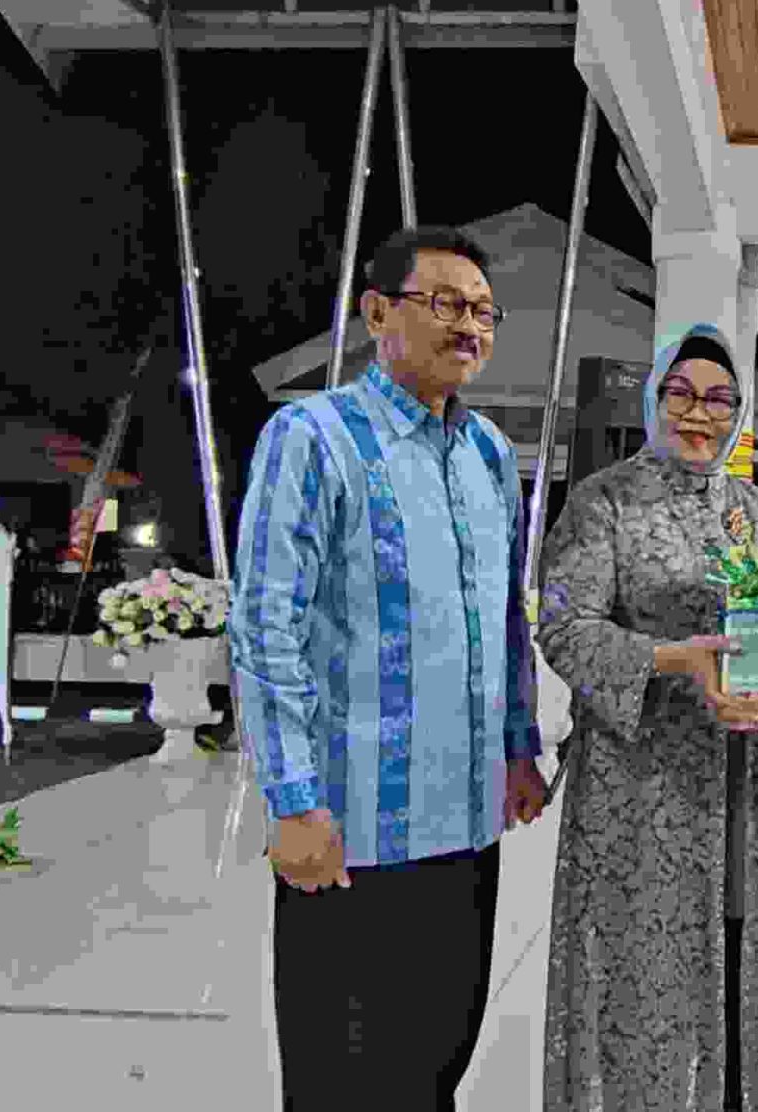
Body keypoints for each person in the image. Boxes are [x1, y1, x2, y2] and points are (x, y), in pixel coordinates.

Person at [231, 226, 551, 1112]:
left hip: (468, 828)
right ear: (377, 314)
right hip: (353, 835)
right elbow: (265, 626)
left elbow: (503, 620)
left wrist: (519, 747)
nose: (469, 326)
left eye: (483, 311)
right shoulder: (312, 437)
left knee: (434, 1065)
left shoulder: (489, 453)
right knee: (344, 1083)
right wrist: (294, 803)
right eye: (445, 304)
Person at [535, 323, 758, 1112]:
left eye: (720, 399)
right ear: (654, 400)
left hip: (750, 785)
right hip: (643, 790)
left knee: (743, 959)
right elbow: (564, 627)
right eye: (683, 395)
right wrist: (673, 658)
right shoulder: (604, 504)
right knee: (643, 977)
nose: (701, 414)